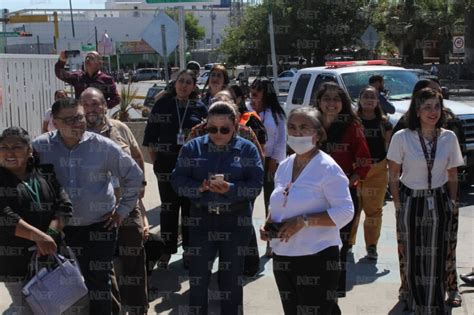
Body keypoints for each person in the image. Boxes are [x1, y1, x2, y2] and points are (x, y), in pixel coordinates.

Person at [33, 97, 143, 314]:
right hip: (58, 230)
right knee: (61, 285)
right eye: (70, 119)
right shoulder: (40, 147)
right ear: (54, 121)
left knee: (99, 284)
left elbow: (134, 175)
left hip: (99, 228)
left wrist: (122, 211)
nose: (77, 123)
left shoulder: (103, 147)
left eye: (80, 117)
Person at [171, 101, 264, 315]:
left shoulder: (248, 149)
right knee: (198, 280)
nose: (218, 134)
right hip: (201, 222)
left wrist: (230, 189)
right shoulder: (192, 148)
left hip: (235, 223)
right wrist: (199, 188)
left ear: (235, 127)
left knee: (231, 281)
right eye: (212, 129)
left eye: (224, 129)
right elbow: (177, 180)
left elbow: (256, 185)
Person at [260, 107, 354, 315]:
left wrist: (304, 220)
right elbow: (278, 202)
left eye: (304, 127)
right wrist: (268, 225)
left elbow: (346, 210)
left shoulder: (327, 167)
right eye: (292, 127)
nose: (297, 133)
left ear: (318, 134)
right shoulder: (285, 166)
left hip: (316, 258)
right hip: (283, 257)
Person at [387, 88, 463, 314]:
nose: (433, 112)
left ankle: (434, 301)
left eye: (437, 106)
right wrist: (398, 204)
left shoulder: (449, 138)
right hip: (412, 200)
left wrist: (452, 201)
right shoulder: (402, 137)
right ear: (417, 110)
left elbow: (452, 174)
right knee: (412, 252)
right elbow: (393, 174)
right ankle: (415, 301)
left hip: (438, 200)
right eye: (427, 107)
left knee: (437, 252)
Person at [81, 87, 150, 315]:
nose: (91, 109)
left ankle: (138, 309)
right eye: (87, 105)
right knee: (103, 265)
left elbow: (137, 156)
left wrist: (139, 191)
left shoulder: (120, 128)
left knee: (133, 258)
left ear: (105, 105)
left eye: (96, 104)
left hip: (126, 207)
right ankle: (114, 310)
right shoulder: (75, 133)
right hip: (95, 212)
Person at [0, 127, 73, 314]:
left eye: (16, 146)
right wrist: (39, 238)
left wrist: (49, 235)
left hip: (53, 256)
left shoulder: (45, 173)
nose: (9, 152)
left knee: (65, 305)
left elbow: (64, 206)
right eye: (3, 147)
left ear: (29, 150)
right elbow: (5, 217)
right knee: (30, 310)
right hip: (16, 264)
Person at [143, 69, 207, 269]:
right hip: (166, 165)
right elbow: (150, 138)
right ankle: (166, 251)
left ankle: (189, 251)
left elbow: (207, 140)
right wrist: (157, 164)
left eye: (188, 82)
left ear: (194, 86)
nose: (184, 85)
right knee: (169, 209)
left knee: (189, 210)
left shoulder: (200, 107)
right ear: (174, 83)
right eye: (181, 81)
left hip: (192, 169)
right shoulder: (163, 104)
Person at [313, 82, 371, 297]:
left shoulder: (352, 126)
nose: (331, 103)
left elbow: (365, 161)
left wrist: (348, 182)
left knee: (340, 245)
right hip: (313, 196)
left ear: (343, 103)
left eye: (336, 99)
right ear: (318, 101)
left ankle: (335, 291)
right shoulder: (311, 123)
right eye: (326, 98)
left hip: (342, 196)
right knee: (314, 242)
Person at [349, 86, 392, 260]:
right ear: (359, 99)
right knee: (352, 209)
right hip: (355, 170)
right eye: (365, 96)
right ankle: (348, 243)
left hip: (378, 170)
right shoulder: (352, 121)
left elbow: (388, 148)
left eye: (372, 97)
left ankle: (371, 247)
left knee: (374, 211)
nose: (368, 99)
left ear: (377, 101)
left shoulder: (384, 123)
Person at [248, 78, 286, 257]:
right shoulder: (245, 110)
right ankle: (246, 241)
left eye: (259, 89)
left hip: (270, 161)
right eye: (252, 88)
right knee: (247, 200)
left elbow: (281, 139)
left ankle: (271, 240)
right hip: (248, 161)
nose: (254, 91)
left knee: (271, 202)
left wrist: (274, 161)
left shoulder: (276, 113)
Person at [55, 50, 121, 109]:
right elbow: (61, 74)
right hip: (81, 117)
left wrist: (102, 107)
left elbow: (116, 99)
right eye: (87, 58)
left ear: (99, 63)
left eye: (91, 58)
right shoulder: (78, 77)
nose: (87, 60)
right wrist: (61, 61)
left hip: (98, 117)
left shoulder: (106, 80)